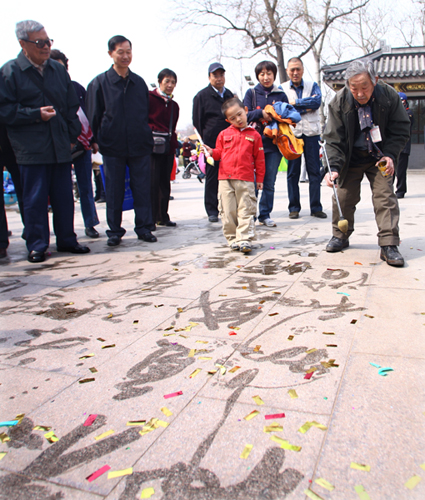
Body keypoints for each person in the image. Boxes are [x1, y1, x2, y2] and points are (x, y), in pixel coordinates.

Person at [0, 20, 90, 263]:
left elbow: (72, 106)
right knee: (35, 199)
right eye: (39, 43)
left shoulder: (57, 70)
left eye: (48, 41)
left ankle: (67, 240)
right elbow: (5, 111)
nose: (46, 47)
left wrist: (71, 136)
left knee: (64, 196)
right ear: (23, 44)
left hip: (60, 145)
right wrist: (34, 114)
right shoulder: (10, 72)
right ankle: (37, 245)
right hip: (30, 148)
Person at [323, 59, 410, 267]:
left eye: (364, 87)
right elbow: (333, 138)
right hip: (351, 156)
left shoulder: (389, 96)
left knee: (385, 196)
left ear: (375, 81)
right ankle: (341, 235)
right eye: (354, 88)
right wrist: (333, 168)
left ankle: (389, 244)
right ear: (347, 85)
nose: (360, 93)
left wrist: (389, 155)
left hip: (379, 156)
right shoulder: (339, 101)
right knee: (343, 195)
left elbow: (400, 128)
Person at [87, 35, 155, 246]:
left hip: (139, 145)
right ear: (111, 54)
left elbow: (147, 113)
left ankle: (144, 227)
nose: (126, 56)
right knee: (114, 190)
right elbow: (93, 116)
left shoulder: (139, 83)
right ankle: (114, 231)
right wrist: (96, 140)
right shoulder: (99, 83)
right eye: (121, 52)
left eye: (128, 52)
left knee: (142, 188)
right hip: (112, 146)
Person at [203, 97, 265, 253]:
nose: (238, 119)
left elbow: (260, 159)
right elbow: (218, 153)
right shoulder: (223, 134)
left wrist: (260, 179)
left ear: (245, 110)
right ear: (227, 120)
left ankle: (244, 239)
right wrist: (211, 152)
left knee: (246, 209)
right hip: (225, 179)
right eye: (233, 118)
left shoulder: (255, 135)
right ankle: (232, 239)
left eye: (239, 114)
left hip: (246, 179)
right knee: (227, 210)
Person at [50, 49, 100, 238]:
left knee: (85, 186)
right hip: (59, 147)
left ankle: (90, 224)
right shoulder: (46, 90)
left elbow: (88, 114)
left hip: (83, 145)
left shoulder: (77, 88)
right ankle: (65, 230)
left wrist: (93, 139)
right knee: (62, 191)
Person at [244, 60, 288, 227]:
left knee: (269, 182)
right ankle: (251, 215)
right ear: (257, 76)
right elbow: (245, 115)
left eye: (269, 73)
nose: (265, 77)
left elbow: (287, 116)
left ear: (274, 75)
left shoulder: (281, 94)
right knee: (253, 182)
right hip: (253, 145)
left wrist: (274, 116)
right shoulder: (251, 93)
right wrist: (261, 113)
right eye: (262, 74)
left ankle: (265, 214)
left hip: (273, 145)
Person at [281, 57, 327, 220]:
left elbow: (316, 102)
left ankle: (316, 207)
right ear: (287, 71)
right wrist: (304, 106)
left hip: (312, 133)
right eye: (292, 69)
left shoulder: (312, 85)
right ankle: (294, 207)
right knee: (292, 173)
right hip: (292, 135)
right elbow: (283, 109)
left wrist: (295, 103)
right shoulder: (282, 88)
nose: (295, 72)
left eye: (298, 69)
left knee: (314, 171)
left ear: (302, 69)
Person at [193, 63, 234, 222]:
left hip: (229, 142)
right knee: (212, 176)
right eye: (215, 75)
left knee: (229, 176)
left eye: (221, 75)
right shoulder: (201, 96)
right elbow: (197, 121)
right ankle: (212, 209)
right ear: (209, 77)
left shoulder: (229, 95)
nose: (219, 78)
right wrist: (204, 143)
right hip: (211, 144)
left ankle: (227, 207)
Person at [148, 68, 179, 227]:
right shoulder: (149, 98)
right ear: (160, 81)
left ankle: (163, 216)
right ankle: (151, 218)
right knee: (152, 183)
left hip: (167, 147)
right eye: (167, 81)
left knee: (164, 183)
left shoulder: (174, 105)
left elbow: (172, 127)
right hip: (152, 147)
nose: (170, 85)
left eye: (173, 82)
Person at [394, 92, 414, 199]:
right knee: (392, 170)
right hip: (394, 146)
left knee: (401, 171)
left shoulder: (408, 113)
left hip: (404, 147)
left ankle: (400, 191)